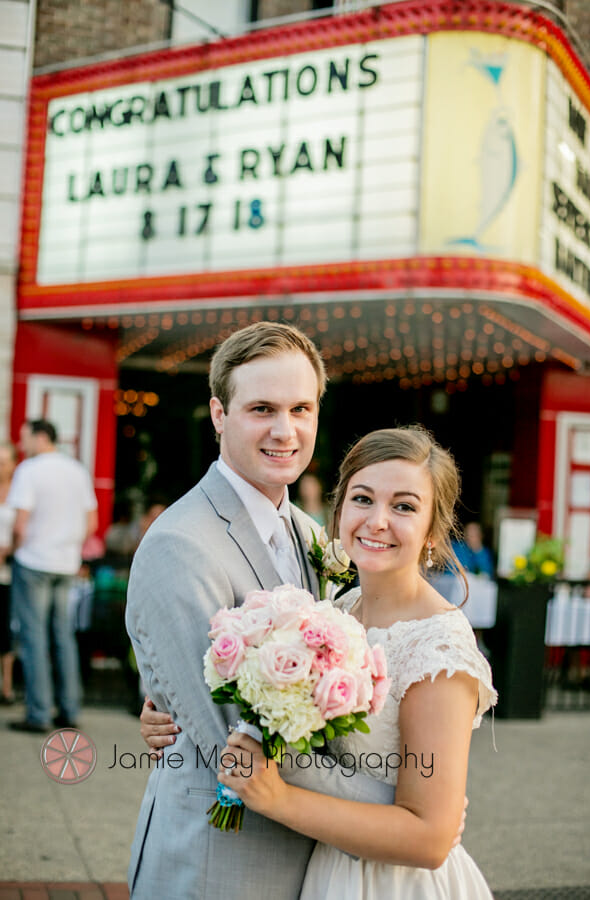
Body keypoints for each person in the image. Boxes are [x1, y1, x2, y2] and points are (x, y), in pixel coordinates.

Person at [125, 323, 403, 900]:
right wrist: (399, 805)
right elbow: (234, 742)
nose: (286, 430)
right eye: (262, 409)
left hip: (306, 856)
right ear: (219, 414)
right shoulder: (180, 543)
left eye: (301, 408)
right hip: (217, 862)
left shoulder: (307, 533)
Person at [217, 426, 497, 898]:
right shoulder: (337, 611)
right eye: (363, 499)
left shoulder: (438, 650)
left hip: (395, 882)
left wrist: (279, 799)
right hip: (330, 867)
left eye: (404, 506)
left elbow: (429, 838)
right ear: (340, 508)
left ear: (432, 530)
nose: (378, 520)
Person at [8, 419, 98, 732]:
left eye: (24, 437)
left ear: (40, 436)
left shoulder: (29, 470)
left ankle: (39, 713)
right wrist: (70, 547)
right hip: (65, 563)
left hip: (34, 561)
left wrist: (15, 550)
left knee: (34, 638)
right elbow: (91, 522)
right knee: (63, 637)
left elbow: (20, 524)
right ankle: (70, 709)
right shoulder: (77, 470)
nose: (22, 445)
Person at [0, 442, 17, 704]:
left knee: (7, 629)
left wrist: (9, 549)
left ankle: (7, 686)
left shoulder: (20, 492)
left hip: (12, 568)